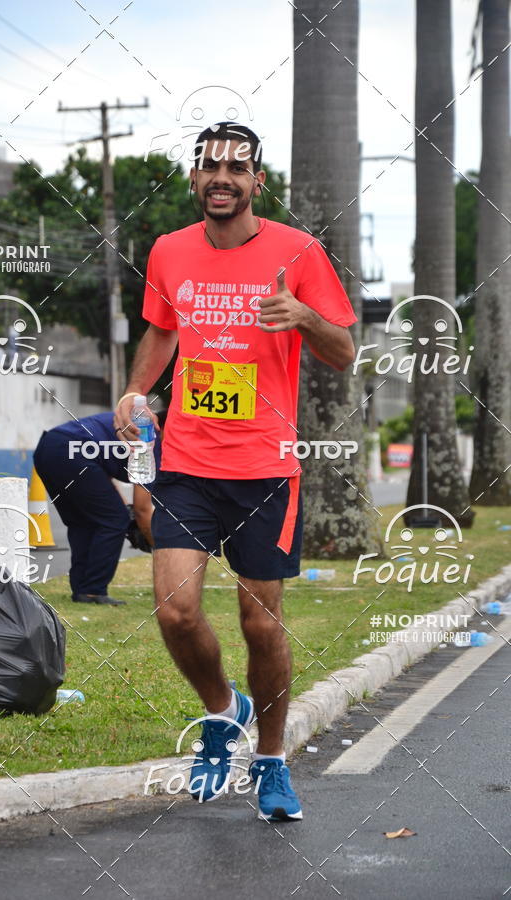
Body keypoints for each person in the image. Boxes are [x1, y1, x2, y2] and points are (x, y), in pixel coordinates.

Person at [114, 122, 356, 821]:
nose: (222, 177)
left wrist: (304, 315)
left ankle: (273, 760)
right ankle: (224, 710)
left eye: (237, 168)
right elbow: (163, 327)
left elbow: (342, 352)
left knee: (260, 623)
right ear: (195, 179)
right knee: (177, 609)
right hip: (187, 460)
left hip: (265, 469)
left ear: (257, 182)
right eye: (210, 166)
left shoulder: (297, 251)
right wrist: (137, 391)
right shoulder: (168, 251)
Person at [33, 410, 165, 606]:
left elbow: (103, 473)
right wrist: (160, 547)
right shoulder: (149, 441)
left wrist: (125, 514)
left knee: (83, 522)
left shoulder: (131, 423)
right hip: (73, 453)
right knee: (114, 521)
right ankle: (93, 590)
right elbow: (142, 509)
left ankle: (83, 590)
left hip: (49, 447)